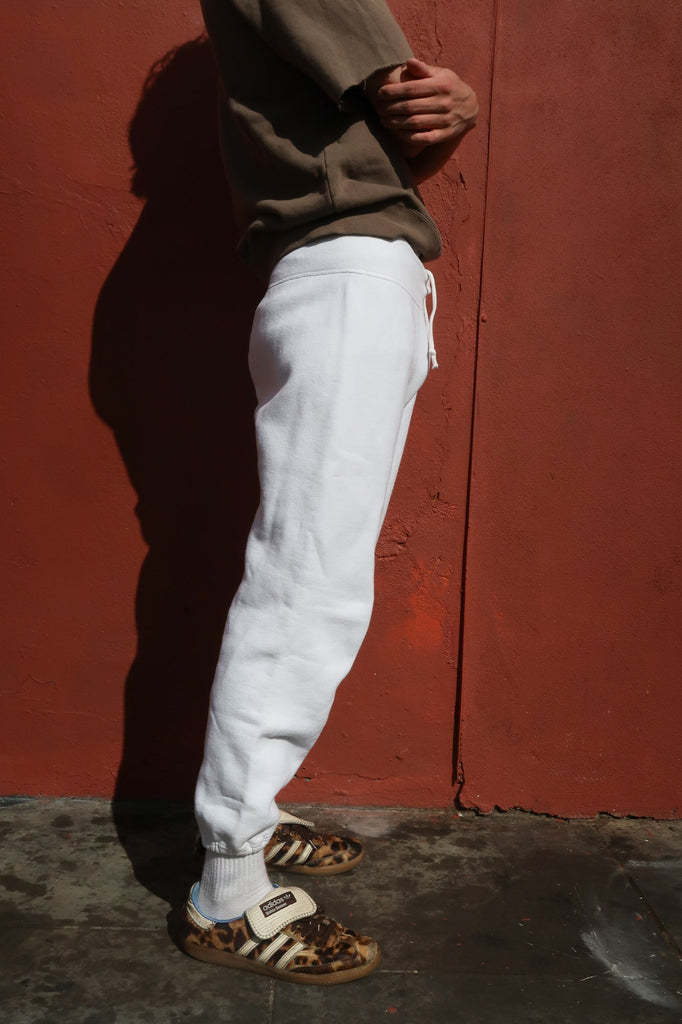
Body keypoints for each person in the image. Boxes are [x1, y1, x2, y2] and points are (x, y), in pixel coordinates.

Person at [172, 0, 478, 984]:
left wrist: (444, 115)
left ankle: (251, 820)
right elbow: (413, 112)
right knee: (307, 587)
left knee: (310, 577)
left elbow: (394, 151)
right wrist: (456, 104)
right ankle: (228, 884)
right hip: (345, 281)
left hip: (343, 275)